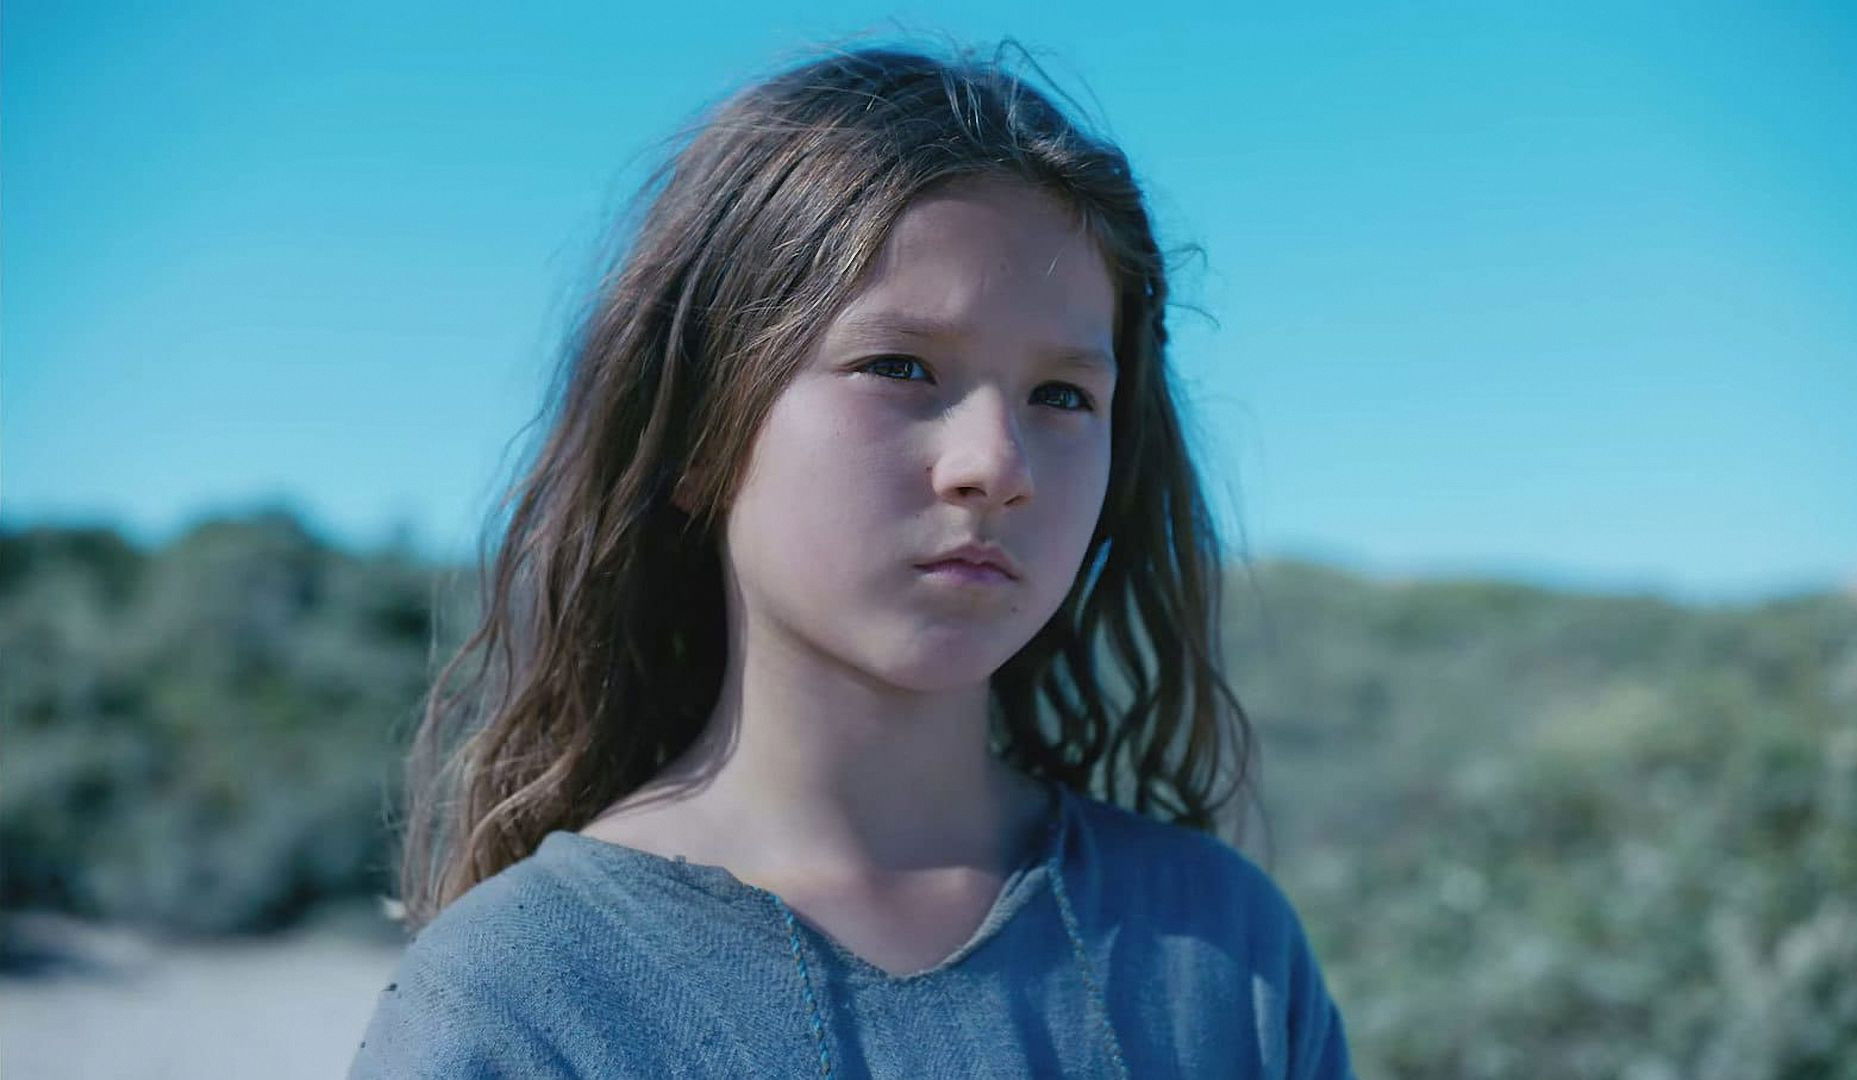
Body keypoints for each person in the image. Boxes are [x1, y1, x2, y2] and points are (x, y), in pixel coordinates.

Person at [350, 37, 1353, 1079]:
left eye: (1062, 395)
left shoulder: (1221, 953)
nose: (995, 465)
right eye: (899, 367)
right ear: (693, 434)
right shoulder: (525, 998)